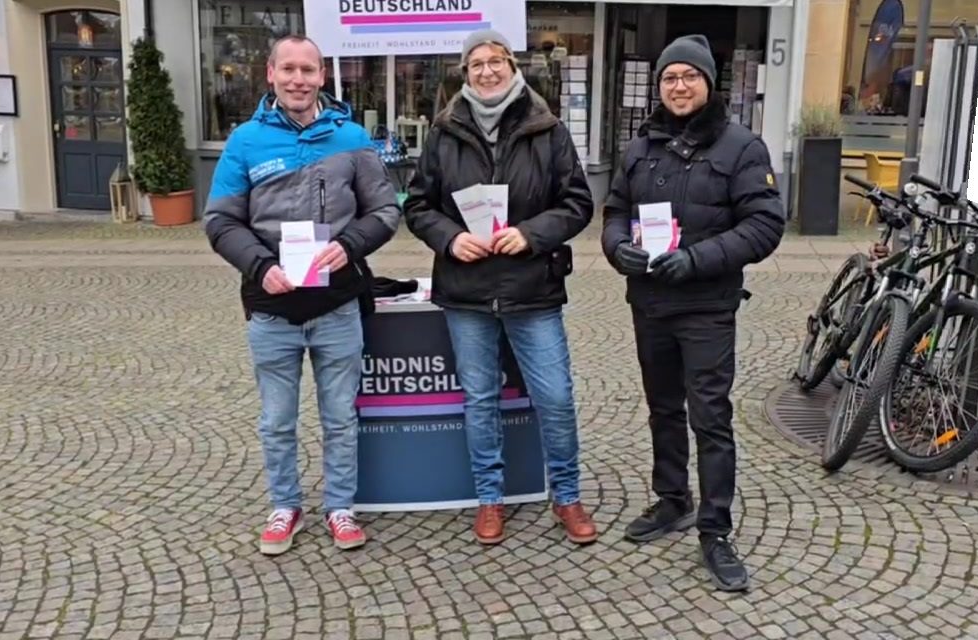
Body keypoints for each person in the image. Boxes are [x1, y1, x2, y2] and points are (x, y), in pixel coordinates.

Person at [203, 35, 401, 556]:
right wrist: (260, 265)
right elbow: (221, 220)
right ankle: (285, 506)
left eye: (308, 70)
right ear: (270, 73)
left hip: (337, 305)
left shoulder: (353, 137)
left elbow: (385, 211)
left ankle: (340, 507)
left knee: (340, 417)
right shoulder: (245, 141)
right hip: (271, 307)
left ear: (321, 77)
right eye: (288, 69)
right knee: (276, 420)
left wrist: (350, 245)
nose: (298, 79)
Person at [600, 34, 786, 592]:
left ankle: (715, 529)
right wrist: (618, 250)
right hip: (651, 301)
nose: (678, 87)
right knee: (662, 408)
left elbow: (764, 225)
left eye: (689, 77)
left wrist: (698, 259)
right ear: (659, 87)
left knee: (710, 417)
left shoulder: (742, 147)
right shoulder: (639, 148)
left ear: (708, 83)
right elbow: (612, 214)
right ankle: (672, 499)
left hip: (706, 303)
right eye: (669, 78)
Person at [404, 30, 597, 546]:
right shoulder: (443, 131)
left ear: (513, 67)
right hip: (466, 290)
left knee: (555, 398)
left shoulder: (547, 128)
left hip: (532, 287)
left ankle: (567, 496)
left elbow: (578, 202)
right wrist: (450, 239)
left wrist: (531, 234)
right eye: (475, 64)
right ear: (463, 74)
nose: (486, 71)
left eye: (495, 61)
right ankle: (490, 498)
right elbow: (418, 205)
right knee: (480, 398)